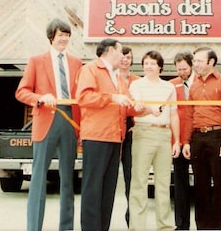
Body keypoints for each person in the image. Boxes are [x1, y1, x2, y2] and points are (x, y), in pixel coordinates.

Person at [15, 18, 83, 231]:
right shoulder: (36, 60)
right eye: (60, 35)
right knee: (38, 177)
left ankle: (67, 227)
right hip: (46, 117)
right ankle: (34, 227)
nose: (64, 39)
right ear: (51, 37)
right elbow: (21, 91)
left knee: (67, 180)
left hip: (70, 120)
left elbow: (80, 95)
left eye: (67, 35)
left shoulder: (77, 62)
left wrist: (81, 128)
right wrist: (41, 97)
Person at [76, 38, 134, 231]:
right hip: (96, 137)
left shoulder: (116, 76)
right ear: (110, 51)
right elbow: (83, 97)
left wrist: (145, 109)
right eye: (121, 52)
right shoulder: (90, 69)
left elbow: (127, 104)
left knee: (108, 190)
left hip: (115, 137)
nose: (123, 57)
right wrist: (113, 98)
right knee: (93, 189)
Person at [182, 46, 221, 230]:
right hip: (198, 138)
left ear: (211, 62)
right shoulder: (194, 84)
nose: (195, 64)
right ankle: (203, 227)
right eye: (194, 60)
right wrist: (186, 141)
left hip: (218, 137)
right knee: (200, 187)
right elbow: (190, 114)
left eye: (199, 60)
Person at [128, 50, 181, 230]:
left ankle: (165, 225)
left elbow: (174, 115)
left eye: (152, 63)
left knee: (163, 183)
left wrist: (177, 140)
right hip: (143, 133)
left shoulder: (169, 88)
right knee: (139, 182)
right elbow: (136, 107)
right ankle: (137, 227)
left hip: (164, 135)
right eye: (146, 63)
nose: (149, 67)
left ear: (160, 67)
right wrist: (148, 109)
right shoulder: (136, 85)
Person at [169, 51, 197, 230]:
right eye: (178, 69)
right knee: (180, 183)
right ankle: (181, 224)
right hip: (178, 140)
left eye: (184, 69)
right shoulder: (172, 85)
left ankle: (205, 223)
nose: (181, 72)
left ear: (192, 65)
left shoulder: (201, 83)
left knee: (203, 182)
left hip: (199, 137)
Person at [119, 46, 140, 227]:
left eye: (128, 57)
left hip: (131, 128)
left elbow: (143, 107)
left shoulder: (138, 81)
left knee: (131, 177)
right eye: (122, 56)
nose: (125, 60)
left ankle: (131, 219)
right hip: (111, 128)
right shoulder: (111, 78)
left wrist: (137, 125)